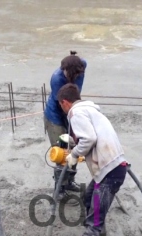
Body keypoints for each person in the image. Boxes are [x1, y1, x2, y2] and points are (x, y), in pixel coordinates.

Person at [57, 83, 128, 236]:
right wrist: (72, 142)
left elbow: (89, 139)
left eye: (61, 105)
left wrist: (73, 155)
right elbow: (88, 136)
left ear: (65, 102)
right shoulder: (91, 110)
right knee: (89, 198)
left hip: (110, 171)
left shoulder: (76, 113)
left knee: (94, 219)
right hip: (112, 167)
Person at [44, 51, 87, 200]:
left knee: (75, 149)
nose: (64, 73)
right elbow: (63, 107)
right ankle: (59, 188)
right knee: (63, 153)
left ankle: (69, 182)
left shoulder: (82, 66)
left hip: (72, 112)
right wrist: (69, 129)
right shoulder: (57, 79)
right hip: (57, 117)